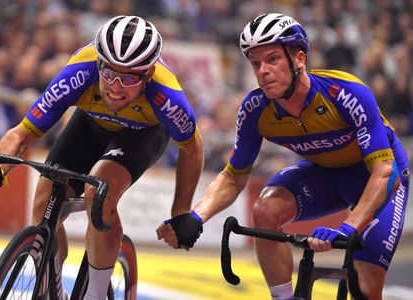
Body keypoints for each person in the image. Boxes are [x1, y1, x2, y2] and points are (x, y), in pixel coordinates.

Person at [157, 13, 409, 300]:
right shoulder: (254, 110)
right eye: (255, 63)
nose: (262, 70)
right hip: (325, 173)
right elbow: (232, 177)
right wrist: (195, 217)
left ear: (299, 59)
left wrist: (348, 227)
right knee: (264, 210)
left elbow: (383, 171)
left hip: (381, 176)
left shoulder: (346, 93)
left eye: (273, 59)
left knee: (364, 287)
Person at [0, 15, 204, 300]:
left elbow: (192, 148)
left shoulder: (167, 97)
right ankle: (51, 286)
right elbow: (21, 133)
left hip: (142, 134)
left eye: (129, 77)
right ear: (98, 64)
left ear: (148, 74)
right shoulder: (80, 71)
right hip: (89, 124)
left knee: (99, 191)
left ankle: (94, 295)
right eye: (109, 72)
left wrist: (181, 211)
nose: (116, 86)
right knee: (44, 204)